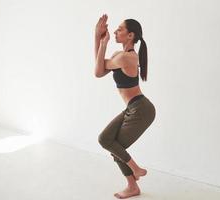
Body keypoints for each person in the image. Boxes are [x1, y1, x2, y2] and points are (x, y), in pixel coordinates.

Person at [94, 14, 156, 199]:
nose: (115, 31)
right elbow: (98, 70)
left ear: (131, 35)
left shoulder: (126, 58)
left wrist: (99, 39)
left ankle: (134, 175)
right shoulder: (118, 55)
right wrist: (98, 38)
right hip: (133, 108)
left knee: (114, 145)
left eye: (120, 29)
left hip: (142, 110)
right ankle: (133, 180)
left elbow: (98, 70)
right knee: (106, 139)